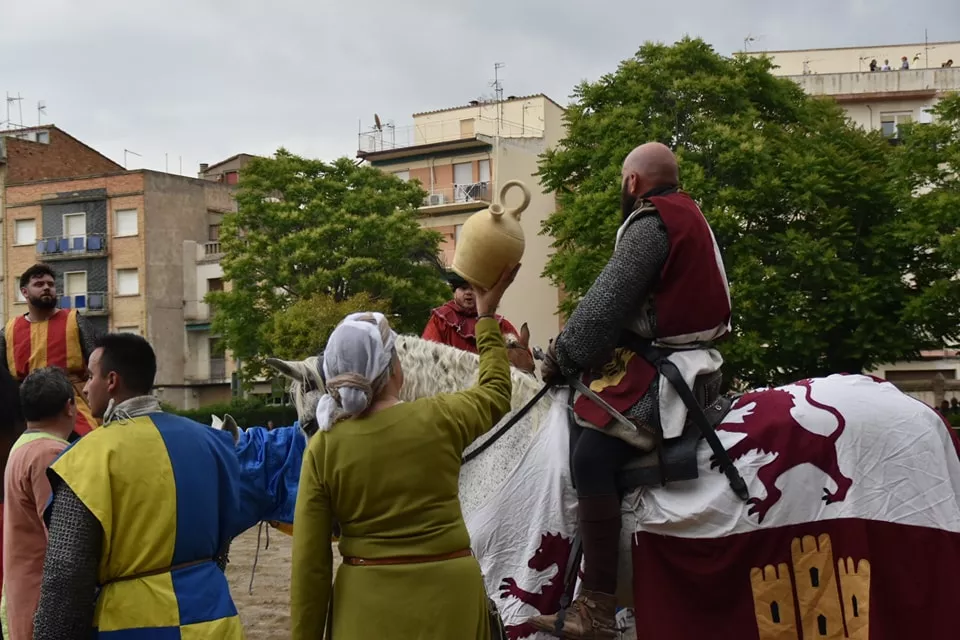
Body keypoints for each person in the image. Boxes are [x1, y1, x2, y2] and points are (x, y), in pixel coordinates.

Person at [530, 142, 731, 638]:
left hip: (668, 371)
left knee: (591, 456)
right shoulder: (692, 216)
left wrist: (563, 358)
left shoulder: (651, 223)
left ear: (632, 183)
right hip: (692, 360)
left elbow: (604, 306)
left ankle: (595, 606)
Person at [290, 265, 519, 639]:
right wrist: (487, 318)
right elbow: (496, 390)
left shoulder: (324, 447)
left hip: (365, 608)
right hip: (452, 603)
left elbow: (310, 567)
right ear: (395, 368)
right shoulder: (441, 417)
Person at [32, 333, 245, 639]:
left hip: (132, 626)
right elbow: (224, 536)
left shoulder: (88, 457)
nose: (86, 387)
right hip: (214, 618)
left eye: (91, 376)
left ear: (112, 381)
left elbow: (67, 573)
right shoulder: (215, 443)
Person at [1, 368, 74, 640]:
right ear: (70, 406)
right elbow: (62, 538)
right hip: (43, 602)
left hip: (24, 594)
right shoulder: (49, 453)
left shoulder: (23, 446)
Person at [0, 264, 100, 436]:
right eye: (39, 284)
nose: (47, 287)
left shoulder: (74, 321)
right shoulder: (9, 331)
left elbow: (99, 364)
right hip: (25, 406)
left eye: (50, 284)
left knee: (90, 443)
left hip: (72, 403)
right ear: (24, 292)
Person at [422, 270, 532, 362]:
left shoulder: (499, 324)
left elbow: (522, 358)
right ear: (454, 292)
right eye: (463, 288)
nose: (469, 292)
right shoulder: (441, 320)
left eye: (473, 289)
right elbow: (428, 354)